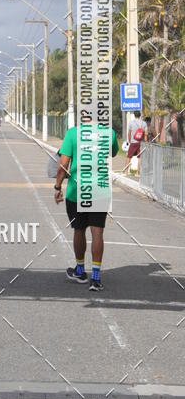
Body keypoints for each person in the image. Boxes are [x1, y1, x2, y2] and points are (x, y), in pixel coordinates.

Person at [54, 123, 119, 292]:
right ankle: (96, 278)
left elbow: (63, 164)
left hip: (77, 190)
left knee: (79, 229)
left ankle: (81, 271)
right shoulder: (109, 133)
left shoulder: (72, 133)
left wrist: (57, 186)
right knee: (97, 232)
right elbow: (113, 153)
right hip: (100, 189)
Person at [123, 110, 147, 175]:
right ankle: (138, 172)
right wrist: (145, 142)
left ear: (134, 115)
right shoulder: (144, 123)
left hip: (133, 142)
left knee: (129, 156)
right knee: (140, 157)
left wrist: (129, 141)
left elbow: (129, 133)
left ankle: (126, 171)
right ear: (140, 115)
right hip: (141, 143)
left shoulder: (131, 123)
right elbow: (145, 134)